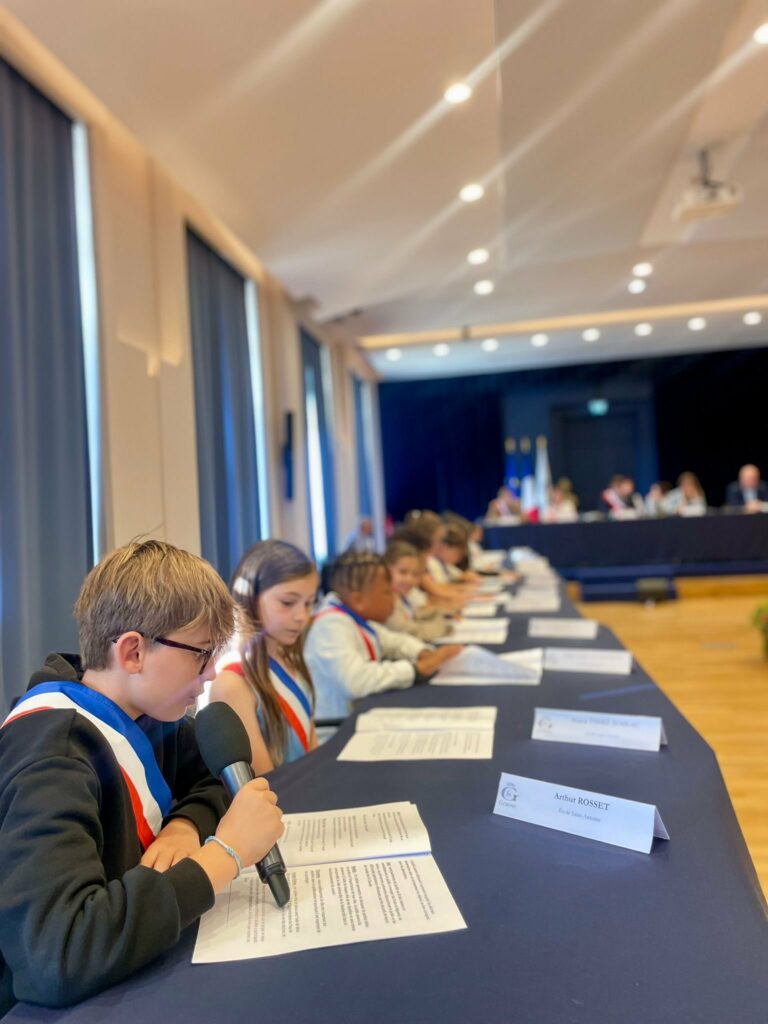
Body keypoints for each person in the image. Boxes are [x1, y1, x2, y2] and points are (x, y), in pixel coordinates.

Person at [0, 540, 284, 1015]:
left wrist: (185, 827)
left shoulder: (149, 713)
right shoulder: (53, 757)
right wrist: (224, 856)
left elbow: (212, 778)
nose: (211, 674)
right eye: (202, 654)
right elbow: (58, 955)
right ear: (133, 652)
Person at [304, 551, 462, 721]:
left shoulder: (353, 617)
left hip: (361, 714)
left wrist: (423, 653)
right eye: (387, 592)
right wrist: (415, 669)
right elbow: (356, 681)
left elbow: (394, 641)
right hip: (338, 727)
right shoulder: (331, 625)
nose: (394, 599)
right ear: (358, 600)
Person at [208, 540, 319, 774]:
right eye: (288, 602)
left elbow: (312, 752)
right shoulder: (233, 682)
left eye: (309, 603)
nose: (302, 616)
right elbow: (264, 778)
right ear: (250, 597)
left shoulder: (290, 662)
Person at [383, 540, 452, 642]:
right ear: (386, 570)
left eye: (415, 574)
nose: (409, 579)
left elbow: (415, 617)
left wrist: (440, 614)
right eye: (402, 572)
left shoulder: (401, 596)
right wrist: (443, 627)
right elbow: (413, 633)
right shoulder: (386, 601)